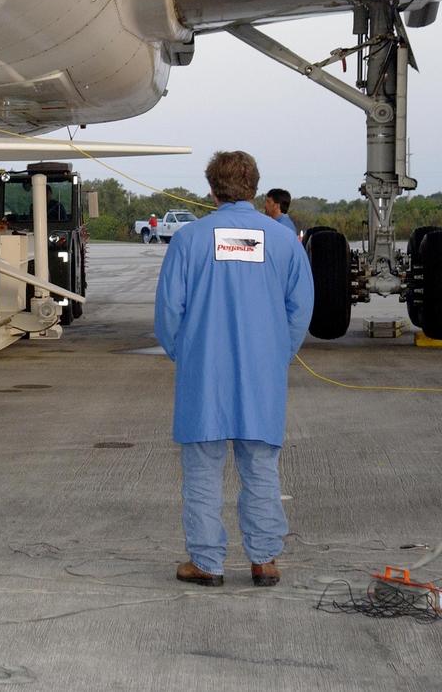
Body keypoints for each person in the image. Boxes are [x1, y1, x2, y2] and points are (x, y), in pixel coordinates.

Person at [155, 152, 314, 589]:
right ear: (256, 188)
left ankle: (207, 563)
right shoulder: (283, 241)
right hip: (261, 377)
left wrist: (185, 354)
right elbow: (301, 309)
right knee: (261, 467)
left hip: (204, 374)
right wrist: (276, 354)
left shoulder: (189, 239)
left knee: (203, 470)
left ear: (211, 189)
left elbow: (169, 312)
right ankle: (264, 561)